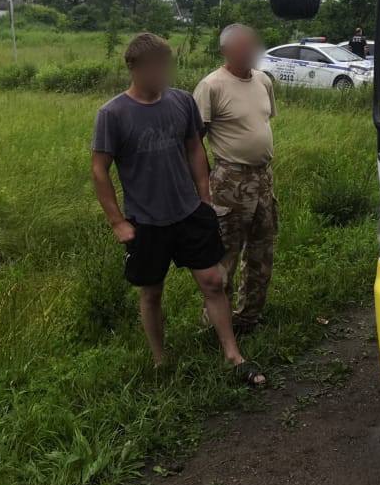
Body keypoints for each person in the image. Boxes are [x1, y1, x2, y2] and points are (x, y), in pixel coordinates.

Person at [91, 33, 266, 387]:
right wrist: (117, 222)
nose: (161, 73)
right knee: (152, 292)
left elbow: (194, 147)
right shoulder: (113, 114)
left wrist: (204, 193)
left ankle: (233, 355)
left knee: (213, 281)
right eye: (154, 67)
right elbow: (99, 169)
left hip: (188, 212)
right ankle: (160, 360)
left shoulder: (182, 102)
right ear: (134, 68)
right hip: (146, 220)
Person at [194, 24, 278, 335]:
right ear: (226, 51)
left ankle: (249, 317)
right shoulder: (211, 86)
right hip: (230, 181)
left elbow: (263, 123)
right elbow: (194, 142)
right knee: (225, 255)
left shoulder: (263, 81)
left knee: (261, 252)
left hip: (263, 179)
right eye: (243, 47)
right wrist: (203, 186)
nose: (251, 52)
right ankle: (217, 324)